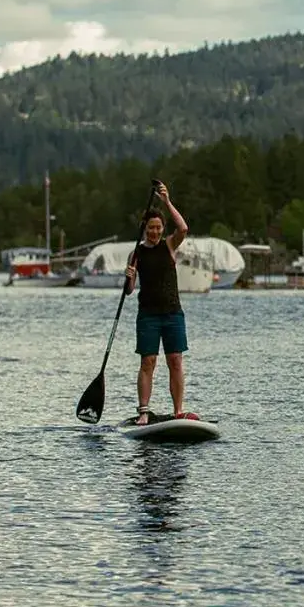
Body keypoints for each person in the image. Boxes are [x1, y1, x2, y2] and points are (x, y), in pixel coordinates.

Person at [124, 182, 197, 425]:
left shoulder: (168, 245)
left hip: (173, 313)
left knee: (175, 360)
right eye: (150, 228)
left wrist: (166, 202)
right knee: (148, 362)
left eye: (158, 227)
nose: (154, 232)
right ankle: (144, 411)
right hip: (148, 315)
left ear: (162, 229)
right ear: (144, 229)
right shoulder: (136, 253)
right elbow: (129, 291)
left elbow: (184, 228)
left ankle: (178, 411)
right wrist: (128, 276)